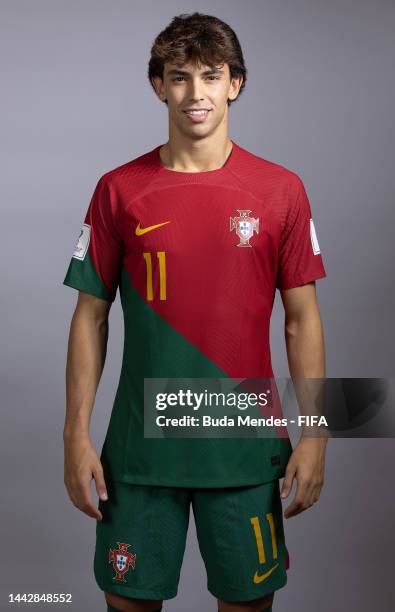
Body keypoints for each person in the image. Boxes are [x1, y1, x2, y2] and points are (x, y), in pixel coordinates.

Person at [63, 12, 328, 612]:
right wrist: (73, 434)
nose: (196, 93)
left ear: (235, 82)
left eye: (212, 76)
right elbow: (89, 317)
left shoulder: (280, 190)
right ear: (159, 86)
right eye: (179, 77)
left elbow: (302, 321)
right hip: (139, 451)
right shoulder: (119, 189)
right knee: (127, 604)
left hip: (242, 441)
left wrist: (317, 433)